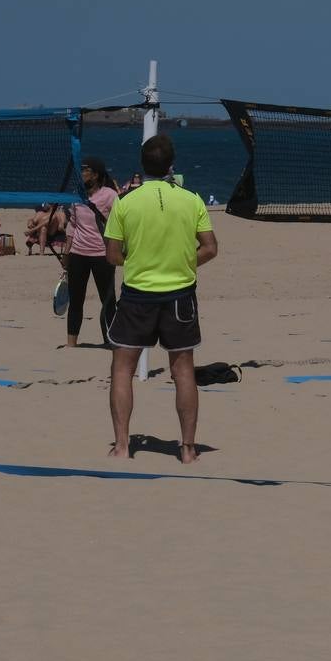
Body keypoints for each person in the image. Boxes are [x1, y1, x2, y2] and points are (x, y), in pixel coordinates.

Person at [103, 136, 218, 464]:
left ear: (142, 165)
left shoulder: (126, 203)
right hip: (179, 294)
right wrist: (179, 262)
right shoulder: (191, 199)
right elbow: (210, 247)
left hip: (139, 295)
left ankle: (123, 446)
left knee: (122, 370)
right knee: (183, 371)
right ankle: (187, 449)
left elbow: (112, 255)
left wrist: (142, 259)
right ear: (171, 165)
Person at [61, 157, 120, 347]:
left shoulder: (110, 195)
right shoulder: (77, 196)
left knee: (108, 300)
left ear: (95, 175)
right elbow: (72, 225)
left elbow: (120, 222)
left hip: (102, 255)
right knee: (76, 300)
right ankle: (71, 344)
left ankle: (111, 341)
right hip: (78, 254)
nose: (81, 174)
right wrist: (66, 253)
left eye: (85, 170)